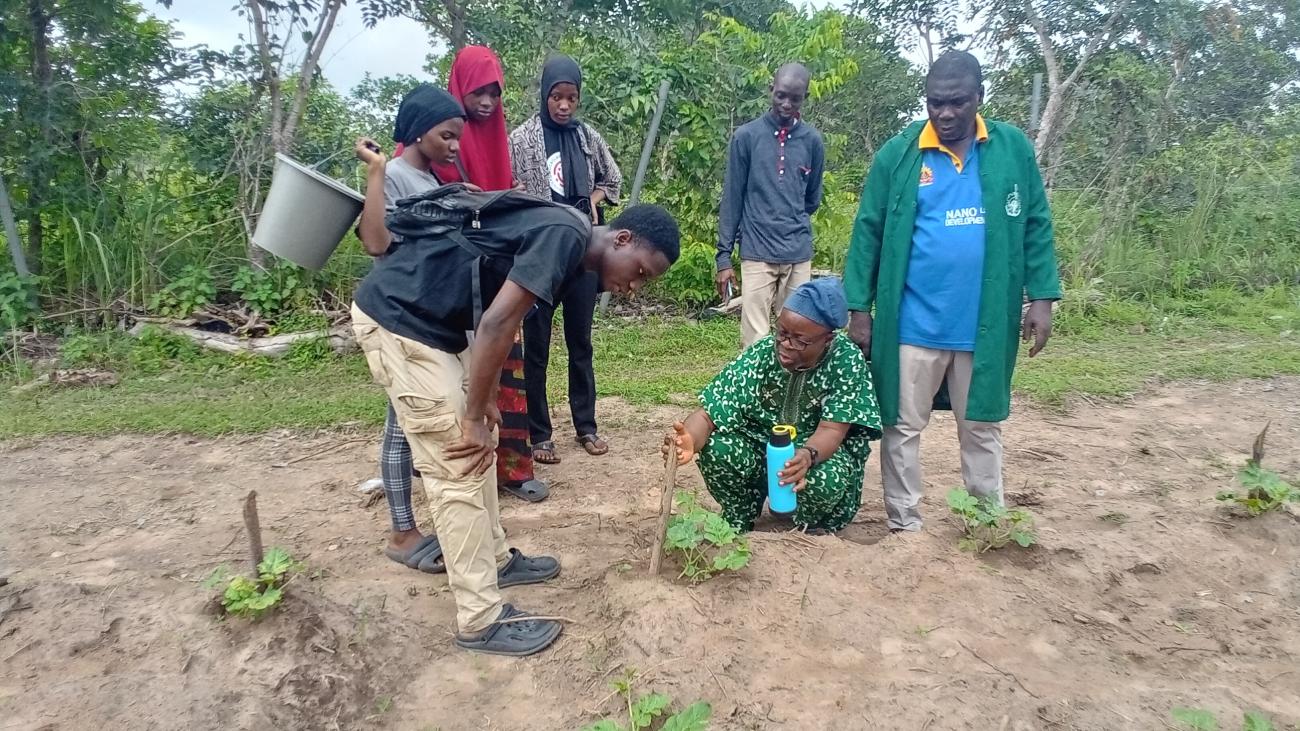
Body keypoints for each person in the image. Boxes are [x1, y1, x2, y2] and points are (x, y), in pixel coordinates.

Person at [351, 131, 681, 655]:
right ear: (620, 239)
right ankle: (480, 619)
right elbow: (500, 322)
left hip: (438, 326)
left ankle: (497, 559)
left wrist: (483, 406)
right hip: (402, 320)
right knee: (457, 462)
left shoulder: (567, 236)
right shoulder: (568, 235)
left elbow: (495, 314)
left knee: (482, 444)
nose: (633, 286)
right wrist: (473, 416)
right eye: (639, 271)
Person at [842, 51, 1060, 533]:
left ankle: (985, 522)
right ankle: (905, 524)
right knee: (900, 426)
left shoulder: (1011, 149)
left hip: (983, 323)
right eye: (935, 102)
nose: (944, 113)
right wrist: (859, 308)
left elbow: (1036, 225)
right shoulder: (898, 155)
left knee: (980, 425)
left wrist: (1042, 297)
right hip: (912, 321)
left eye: (956, 102)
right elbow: (868, 233)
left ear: (978, 98)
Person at [666, 278, 881, 534]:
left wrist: (807, 456)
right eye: (782, 333)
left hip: (815, 451)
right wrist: (689, 439)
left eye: (800, 340)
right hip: (761, 448)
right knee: (717, 447)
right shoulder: (763, 354)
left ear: (827, 339)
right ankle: (739, 515)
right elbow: (709, 413)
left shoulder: (846, 361)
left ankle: (810, 526)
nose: (785, 345)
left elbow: (832, 430)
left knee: (827, 479)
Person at [354, 83, 465, 576]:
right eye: (447, 135)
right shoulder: (395, 176)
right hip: (399, 312)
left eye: (458, 137)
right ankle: (402, 532)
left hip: (427, 314)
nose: (456, 145)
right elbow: (376, 242)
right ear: (421, 132)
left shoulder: (439, 177)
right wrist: (376, 173)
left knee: (404, 422)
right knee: (400, 427)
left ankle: (414, 524)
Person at [509, 54, 623, 465]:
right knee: (535, 346)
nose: (563, 105)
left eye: (571, 97)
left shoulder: (586, 138)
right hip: (541, 254)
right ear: (544, 95)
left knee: (581, 343)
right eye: (556, 96)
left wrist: (592, 202)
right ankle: (539, 434)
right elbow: (507, 186)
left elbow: (613, 179)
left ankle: (586, 426)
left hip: (582, 255)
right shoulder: (521, 138)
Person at [716, 63, 826, 349]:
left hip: (797, 252)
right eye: (780, 96)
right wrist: (724, 257)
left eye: (795, 98)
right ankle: (754, 394)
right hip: (757, 251)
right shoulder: (747, 137)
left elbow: (812, 198)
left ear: (805, 97)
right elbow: (732, 198)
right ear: (771, 90)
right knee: (755, 338)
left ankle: (787, 393)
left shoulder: (812, 141)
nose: (786, 104)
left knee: (798, 335)